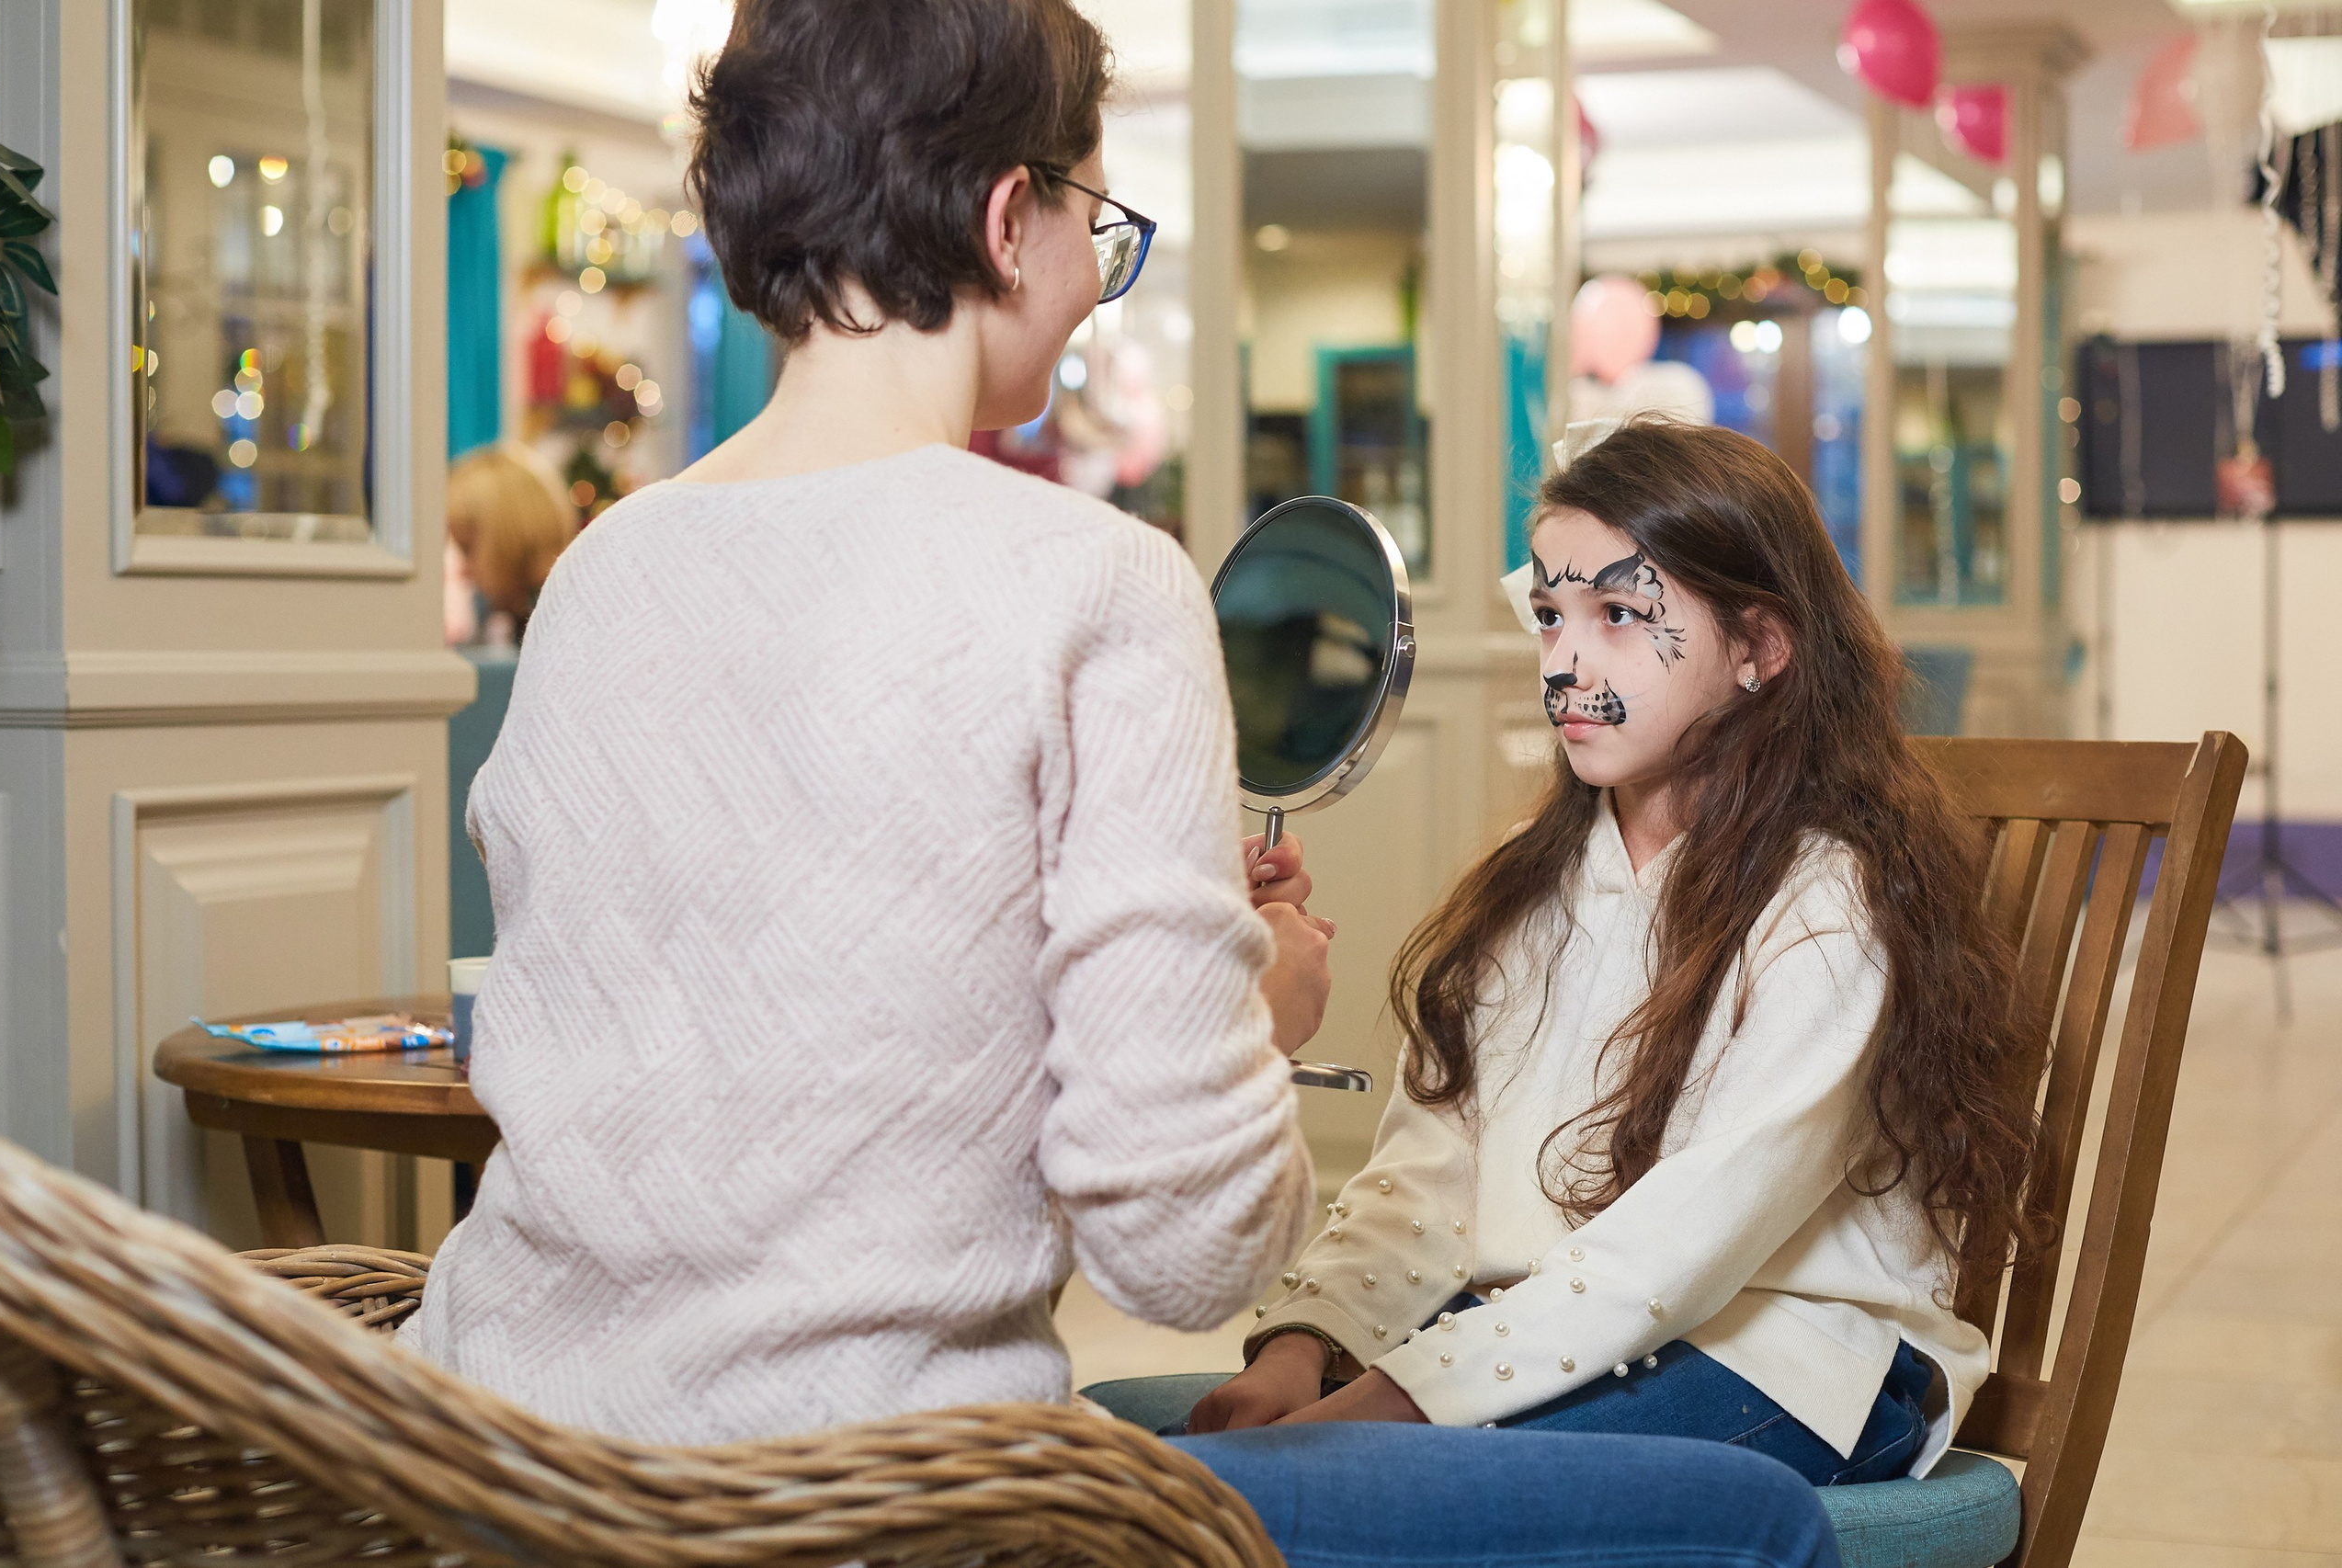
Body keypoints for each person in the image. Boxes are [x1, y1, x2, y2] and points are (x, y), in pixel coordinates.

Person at [398, 2, 1839, 1560]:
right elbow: (1183, 1247)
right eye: (1101, 220)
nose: (1096, 278)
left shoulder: (608, 571)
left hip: (500, 1471)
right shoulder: (1094, 580)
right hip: (890, 1506)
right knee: (1756, 1528)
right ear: (1011, 217)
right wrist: (1254, 1010)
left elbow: (799, 1012)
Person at [1179, 420, 2044, 1497]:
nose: (1565, 661)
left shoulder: (1831, 897)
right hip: (1556, 1327)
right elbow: (1426, 1172)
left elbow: (1675, 1245)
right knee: (1250, 1475)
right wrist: (1303, 1346)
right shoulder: (1526, 882)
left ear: (1758, 648)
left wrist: (1374, 1407)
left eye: (1620, 615)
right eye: (1549, 613)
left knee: (1340, 1487)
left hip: (1789, 1364)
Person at [444, 444, 576, 645]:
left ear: (510, 543)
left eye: (467, 548)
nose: (463, 570)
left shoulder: (562, 630)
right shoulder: (516, 618)